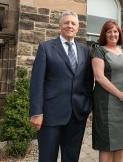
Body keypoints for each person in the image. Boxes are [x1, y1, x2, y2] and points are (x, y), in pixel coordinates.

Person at [29, 11, 94, 162]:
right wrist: (36, 112)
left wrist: (87, 105)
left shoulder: (85, 51)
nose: (70, 26)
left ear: (78, 28)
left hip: (77, 115)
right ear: (60, 26)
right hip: (51, 114)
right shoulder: (46, 48)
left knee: (71, 157)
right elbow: (37, 82)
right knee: (47, 158)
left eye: (73, 23)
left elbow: (88, 81)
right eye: (66, 23)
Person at [91, 20, 123, 162]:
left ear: (119, 34)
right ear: (104, 34)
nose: (113, 34)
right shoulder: (99, 51)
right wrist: (121, 94)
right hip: (106, 103)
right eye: (109, 31)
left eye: (115, 31)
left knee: (121, 142)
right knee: (106, 144)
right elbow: (99, 77)